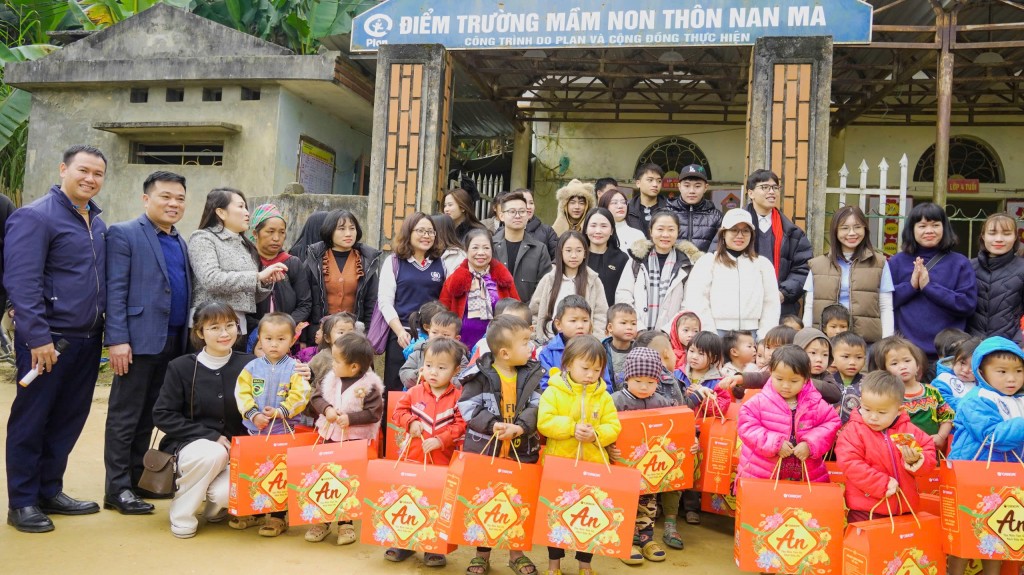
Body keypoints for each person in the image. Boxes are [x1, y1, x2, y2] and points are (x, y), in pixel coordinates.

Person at [4, 145, 109, 533]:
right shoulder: (35, 216)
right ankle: (23, 501)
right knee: (32, 421)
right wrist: (37, 337)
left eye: (98, 173)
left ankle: (50, 489)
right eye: (83, 170)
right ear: (63, 168)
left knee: (68, 419)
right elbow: (21, 282)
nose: (90, 179)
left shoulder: (95, 222)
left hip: (86, 339)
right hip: (49, 340)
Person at [152, 302, 310, 538]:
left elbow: (284, 379)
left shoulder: (250, 365)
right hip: (195, 448)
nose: (224, 333)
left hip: (238, 451)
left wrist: (308, 373)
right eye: (214, 327)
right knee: (212, 453)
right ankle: (182, 514)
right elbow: (162, 414)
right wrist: (211, 436)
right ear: (199, 332)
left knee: (229, 493)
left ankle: (215, 506)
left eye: (229, 326)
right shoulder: (181, 367)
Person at [103, 170, 191, 516]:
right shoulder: (124, 234)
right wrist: (118, 339)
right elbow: (116, 290)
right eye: (165, 196)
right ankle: (117, 488)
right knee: (125, 415)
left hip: (173, 341)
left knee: (150, 415)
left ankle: (138, 478)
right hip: (136, 342)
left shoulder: (180, 240)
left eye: (180, 198)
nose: (173, 204)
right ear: (146, 199)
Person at [457, 315, 542, 575]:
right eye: (525, 343)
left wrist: (521, 427)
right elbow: (468, 407)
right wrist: (492, 424)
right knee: (486, 502)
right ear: (504, 353)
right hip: (486, 450)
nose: (531, 347)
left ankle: (516, 553)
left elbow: (539, 405)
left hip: (521, 450)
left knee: (517, 502)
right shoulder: (478, 376)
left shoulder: (531, 374)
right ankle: (482, 554)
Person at [537, 335, 621, 575]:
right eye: (585, 368)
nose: (591, 374)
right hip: (558, 466)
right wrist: (571, 428)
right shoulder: (553, 392)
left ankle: (585, 565)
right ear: (568, 364)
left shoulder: (604, 396)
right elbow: (544, 422)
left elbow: (613, 426)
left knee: (590, 515)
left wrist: (596, 435)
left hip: (592, 466)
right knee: (556, 516)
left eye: (597, 369)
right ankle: (554, 566)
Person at [947, 336, 1024, 575]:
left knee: (997, 533)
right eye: (1001, 371)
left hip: (1004, 477)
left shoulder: (1017, 400)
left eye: (1019, 371)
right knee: (967, 533)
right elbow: (993, 437)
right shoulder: (975, 400)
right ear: (981, 371)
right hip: (973, 476)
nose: (1011, 378)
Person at [389, 338, 468, 567]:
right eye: (429, 365)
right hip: (413, 457)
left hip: (442, 461)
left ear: (456, 370)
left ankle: (435, 547)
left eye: (442, 368)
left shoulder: (458, 397)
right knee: (409, 498)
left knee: (437, 502)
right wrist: (410, 421)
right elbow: (398, 412)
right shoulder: (414, 392)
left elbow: (462, 424)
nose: (434, 372)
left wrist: (441, 440)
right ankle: (403, 543)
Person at [232, 312, 311, 537]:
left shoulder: (296, 368)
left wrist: (281, 411)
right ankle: (256, 513)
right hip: (255, 431)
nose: (274, 344)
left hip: (283, 433)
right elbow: (242, 393)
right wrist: (253, 413)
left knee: (279, 475)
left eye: (280, 339)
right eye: (268, 339)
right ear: (260, 339)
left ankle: (278, 517)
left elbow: (301, 395)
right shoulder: (251, 368)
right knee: (256, 472)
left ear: (292, 340)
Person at [306, 332, 383, 545]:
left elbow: (374, 414)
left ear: (354, 367)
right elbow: (316, 397)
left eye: (337, 360)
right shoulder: (331, 378)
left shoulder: (370, 386)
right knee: (325, 477)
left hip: (353, 442)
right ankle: (322, 520)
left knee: (348, 481)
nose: (333, 364)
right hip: (329, 437)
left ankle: (346, 522)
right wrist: (327, 409)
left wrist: (351, 418)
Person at [889, 202, 977, 379]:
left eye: (935, 225)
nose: (929, 230)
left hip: (949, 355)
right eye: (922, 226)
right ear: (911, 230)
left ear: (945, 228)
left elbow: (967, 304)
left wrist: (929, 287)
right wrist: (911, 286)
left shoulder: (960, 263)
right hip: (907, 355)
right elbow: (885, 303)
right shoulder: (897, 262)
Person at [835, 371, 937, 523]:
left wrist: (917, 460)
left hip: (905, 508)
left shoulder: (909, 430)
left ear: (899, 410)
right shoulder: (854, 430)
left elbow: (928, 450)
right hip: (866, 509)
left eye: (882, 412)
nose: (873, 417)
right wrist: (881, 483)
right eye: (867, 409)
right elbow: (850, 463)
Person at [188, 188, 287, 338]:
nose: (247, 212)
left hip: (239, 323)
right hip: (210, 323)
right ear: (221, 212)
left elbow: (246, 296)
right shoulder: (203, 238)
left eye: (246, 207)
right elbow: (211, 279)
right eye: (240, 207)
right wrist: (257, 277)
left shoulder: (244, 244)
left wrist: (264, 282)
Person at [736, 346, 841, 485]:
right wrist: (775, 444)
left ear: (805, 379)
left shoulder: (814, 403)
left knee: (800, 507)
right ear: (771, 373)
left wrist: (810, 445)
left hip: (805, 475)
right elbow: (747, 426)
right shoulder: (759, 402)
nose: (786, 386)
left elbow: (832, 422)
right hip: (761, 472)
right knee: (764, 506)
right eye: (779, 379)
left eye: (793, 381)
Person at [377, 213, 456, 396]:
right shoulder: (394, 262)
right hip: (402, 334)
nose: (426, 235)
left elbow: (447, 298)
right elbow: (385, 302)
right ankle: (395, 425)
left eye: (430, 232)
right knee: (397, 387)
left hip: (432, 336)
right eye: (420, 230)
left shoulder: (441, 264)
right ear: (408, 233)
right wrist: (399, 332)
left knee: (430, 388)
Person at [610, 347, 672, 566]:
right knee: (622, 503)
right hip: (622, 467)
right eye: (638, 380)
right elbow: (605, 429)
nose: (644, 387)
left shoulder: (663, 403)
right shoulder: (615, 401)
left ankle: (647, 540)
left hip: (651, 467)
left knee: (648, 502)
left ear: (658, 381)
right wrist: (610, 448)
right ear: (627, 378)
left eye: (651, 381)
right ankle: (623, 542)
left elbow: (674, 432)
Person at [804, 205, 894, 345]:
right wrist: (808, 339)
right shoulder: (818, 265)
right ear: (835, 231)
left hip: (866, 344)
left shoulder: (879, 263)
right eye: (845, 228)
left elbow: (886, 306)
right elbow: (809, 305)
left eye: (857, 227)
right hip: (825, 343)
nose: (852, 233)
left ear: (865, 229)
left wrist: (887, 342)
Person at [684, 208, 780, 337]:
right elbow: (697, 300)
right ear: (723, 233)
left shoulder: (763, 264)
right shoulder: (708, 262)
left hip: (752, 335)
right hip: (717, 333)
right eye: (734, 230)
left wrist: (764, 336)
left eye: (745, 231)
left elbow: (771, 303)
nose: (740, 235)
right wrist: (710, 335)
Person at [744, 169, 812, 318]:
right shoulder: (735, 229)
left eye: (775, 188)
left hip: (782, 308)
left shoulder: (792, 233)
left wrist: (783, 293)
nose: (771, 192)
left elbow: (803, 268)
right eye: (764, 187)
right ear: (751, 193)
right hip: (742, 305)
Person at [303, 209, 381, 338]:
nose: (348, 233)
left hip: (353, 335)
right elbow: (305, 301)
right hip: (320, 335)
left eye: (352, 228)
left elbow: (371, 303)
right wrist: (305, 337)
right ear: (330, 231)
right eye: (341, 229)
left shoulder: (367, 262)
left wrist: (368, 335)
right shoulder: (314, 261)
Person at [439, 228, 519, 350]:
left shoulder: (503, 278)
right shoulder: (455, 279)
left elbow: (517, 310)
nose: (481, 252)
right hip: (460, 343)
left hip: (497, 343)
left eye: (486, 248)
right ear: (466, 250)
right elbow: (443, 311)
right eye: (475, 248)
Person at [620, 210, 700, 331]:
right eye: (660, 229)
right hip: (636, 333)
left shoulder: (688, 264)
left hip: (671, 336)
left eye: (671, 230)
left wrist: (667, 332)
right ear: (651, 231)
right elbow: (624, 295)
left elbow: (688, 304)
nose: (665, 235)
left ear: (678, 232)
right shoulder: (636, 259)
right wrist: (638, 328)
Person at [874, 336, 955, 451]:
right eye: (894, 363)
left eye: (907, 361)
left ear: (917, 366)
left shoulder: (931, 391)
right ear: (885, 371)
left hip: (932, 450)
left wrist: (941, 436)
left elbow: (947, 417)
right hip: (899, 453)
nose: (903, 366)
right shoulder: (887, 397)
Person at [530, 231, 608, 342]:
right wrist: (537, 336)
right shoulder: (549, 279)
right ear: (560, 252)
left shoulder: (593, 281)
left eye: (579, 250)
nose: (574, 255)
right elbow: (534, 311)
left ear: (585, 253)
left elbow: (601, 315)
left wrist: (595, 341)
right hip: (550, 342)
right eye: (568, 250)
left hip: (582, 345)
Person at [246, 203, 311, 334]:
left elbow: (305, 303)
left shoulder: (292, 263)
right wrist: (263, 327)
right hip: (252, 333)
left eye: (281, 232)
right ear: (255, 233)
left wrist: (286, 325)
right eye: (270, 232)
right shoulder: (246, 262)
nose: (276, 238)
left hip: (286, 334)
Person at [969, 212, 1024, 344]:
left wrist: (1020, 343)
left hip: (1010, 347)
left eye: (1006, 233)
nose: (999, 239)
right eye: (992, 233)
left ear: (1015, 237)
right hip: (971, 346)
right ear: (983, 236)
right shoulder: (969, 267)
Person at [537, 295, 612, 391]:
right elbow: (545, 385)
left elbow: (606, 385)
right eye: (573, 320)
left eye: (585, 320)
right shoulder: (548, 352)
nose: (580, 325)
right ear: (558, 324)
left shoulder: (596, 350)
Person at [493, 191, 552, 304]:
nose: (518, 215)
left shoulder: (539, 250)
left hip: (526, 317)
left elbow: (543, 289)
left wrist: (525, 312)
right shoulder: (490, 246)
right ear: (501, 216)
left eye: (522, 211)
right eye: (512, 211)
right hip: (494, 316)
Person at [399, 310, 462, 390]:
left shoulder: (459, 356)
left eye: (445, 335)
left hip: (448, 398)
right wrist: (419, 375)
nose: (438, 337)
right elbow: (404, 374)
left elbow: (464, 380)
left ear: (456, 339)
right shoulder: (419, 352)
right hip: (418, 398)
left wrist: (444, 378)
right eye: (434, 332)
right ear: (428, 332)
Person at [583, 207, 629, 307]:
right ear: (586, 229)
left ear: (612, 230)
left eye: (604, 226)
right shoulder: (577, 256)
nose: (598, 231)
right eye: (593, 226)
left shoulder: (622, 259)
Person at [672, 164, 722, 252]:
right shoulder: (667, 213)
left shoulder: (716, 216)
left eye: (697, 186)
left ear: (706, 187)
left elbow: (721, 246)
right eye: (687, 186)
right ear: (679, 186)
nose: (692, 191)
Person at [931, 337, 980, 413]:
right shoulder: (943, 379)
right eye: (962, 363)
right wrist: (970, 406)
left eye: (973, 367)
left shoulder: (983, 384)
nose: (965, 370)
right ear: (955, 359)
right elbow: (941, 399)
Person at [832, 331, 869, 423]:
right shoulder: (827, 382)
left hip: (856, 433)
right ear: (832, 358)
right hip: (827, 433)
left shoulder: (868, 384)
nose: (852, 362)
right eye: (846, 356)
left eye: (859, 357)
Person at [627, 164, 671, 238]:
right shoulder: (628, 209)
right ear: (638, 183)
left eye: (659, 181)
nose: (655, 184)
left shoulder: (670, 208)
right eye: (650, 180)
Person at [603, 303, 638, 390]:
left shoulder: (640, 351)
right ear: (610, 327)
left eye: (633, 324)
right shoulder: (602, 350)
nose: (629, 327)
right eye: (623, 323)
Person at [599, 187, 646, 252]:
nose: (620, 206)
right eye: (615, 203)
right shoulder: (597, 233)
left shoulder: (637, 234)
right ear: (604, 206)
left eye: (623, 202)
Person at [519, 188, 558, 258]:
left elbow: (557, 256)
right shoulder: (503, 231)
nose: (528, 207)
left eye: (531, 203)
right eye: (524, 203)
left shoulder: (547, 231)